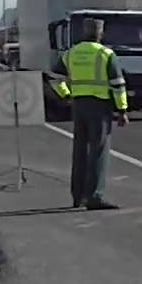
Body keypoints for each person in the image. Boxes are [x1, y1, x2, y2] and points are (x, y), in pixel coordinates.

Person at [51, 17, 128, 210]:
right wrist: (122, 110)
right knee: (98, 151)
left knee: (80, 150)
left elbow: (54, 77)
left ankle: (78, 196)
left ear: (84, 33)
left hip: (78, 105)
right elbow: (118, 85)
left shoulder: (71, 53)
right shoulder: (106, 54)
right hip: (100, 106)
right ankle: (94, 196)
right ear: (100, 33)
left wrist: (66, 95)